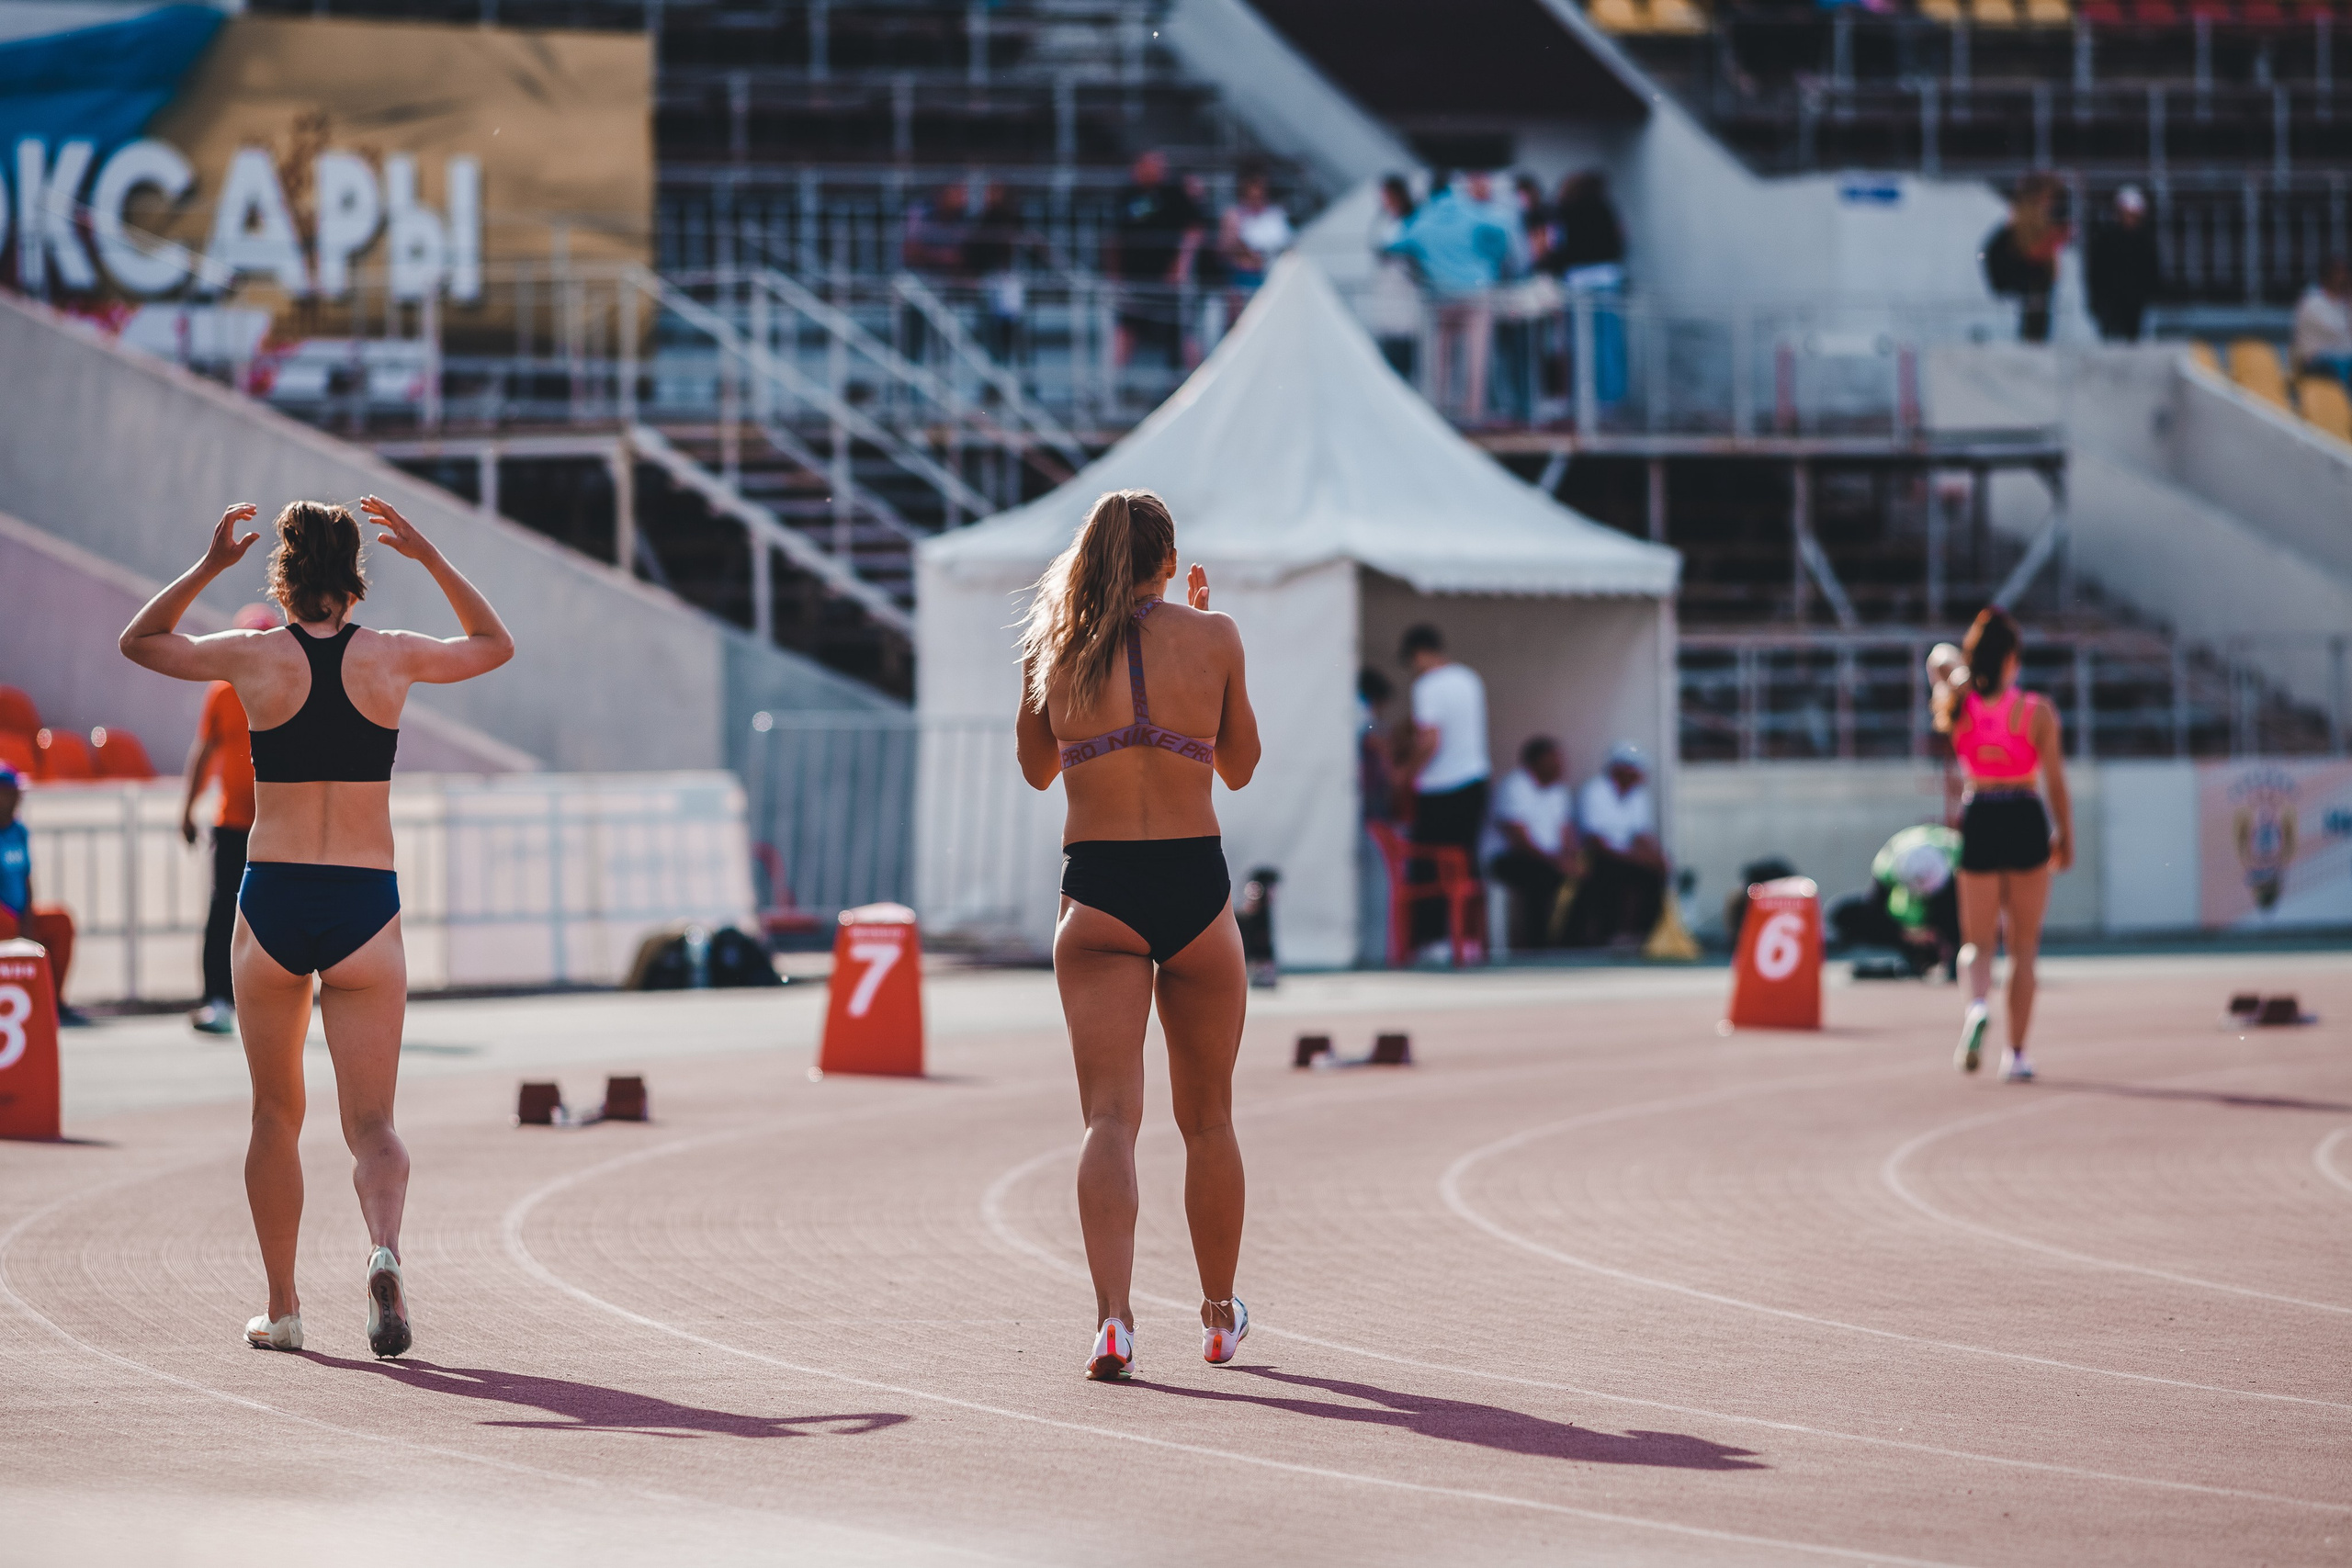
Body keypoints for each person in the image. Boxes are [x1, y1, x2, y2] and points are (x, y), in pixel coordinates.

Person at [119, 495, 514, 1356]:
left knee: (273, 1115)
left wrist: (210, 566)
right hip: (365, 903)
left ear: (286, 577)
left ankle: (285, 1307)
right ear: (356, 577)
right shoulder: (392, 657)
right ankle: (384, 1250)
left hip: (273, 902)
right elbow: (494, 644)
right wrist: (433, 556)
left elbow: (140, 642)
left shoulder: (256, 658)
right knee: (373, 1124)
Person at [1013, 490, 1261, 1382]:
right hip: (1194, 886)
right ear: (1168, 559)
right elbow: (1238, 765)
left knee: (1110, 1118)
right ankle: (1216, 1316)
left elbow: (1038, 769)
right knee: (1210, 1120)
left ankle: (1112, 1320)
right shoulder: (1217, 636)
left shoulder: (1056, 643)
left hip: (1100, 889)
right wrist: (1196, 630)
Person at [1934, 607, 2073, 1082]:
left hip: (1980, 814)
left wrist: (1963, 669)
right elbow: (2055, 782)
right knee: (2024, 947)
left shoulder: (1958, 701)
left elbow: (1937, 657)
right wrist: (2065, 837)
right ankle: (2016, 1054)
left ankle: (1976, 1007)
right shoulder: (2035, 711)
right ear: (2014, 658)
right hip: (2025, 814)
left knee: (1976, 942)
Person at [184, 602, 280, 1035]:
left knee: (278, 913)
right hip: (234, 820)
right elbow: (205, 750)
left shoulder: (287, 683)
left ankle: (271, 1003)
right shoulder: (222, 691)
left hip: (279, 822)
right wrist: (187, 808)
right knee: (224, 910)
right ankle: (217, 999)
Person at [1382, 174, 1510, 421]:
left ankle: (1438, 413)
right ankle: (1474, 414)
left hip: (1440, 296)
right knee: (1476, 357)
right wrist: (1490, 260)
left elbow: (1393, 245)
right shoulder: (1470, 211)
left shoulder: (1424, 221)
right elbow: (1501, 231)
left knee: (1439, 359)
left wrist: (1425, 261)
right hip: (1476, 291)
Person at [1397, 624, 1490, 953]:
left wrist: (1406, 773)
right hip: (1474, 780)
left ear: (1419, 654)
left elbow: (1430, 740)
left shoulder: (1428, 686)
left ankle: (1437, 939)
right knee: (1467, 862)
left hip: (1440, 788)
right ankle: (1470, 939)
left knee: (1431, 866)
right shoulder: (1469, 678)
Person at [0, 763, 85, 1025]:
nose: (16, 798)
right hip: (4, 918)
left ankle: (53, 1002)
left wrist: (27, 918)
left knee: (60, 921)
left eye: (17, 792)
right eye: (9, 792)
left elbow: (26, 879)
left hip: (19, 915)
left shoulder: (19, 832)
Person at [1564, 742, 1666, 949]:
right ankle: (1605, 934)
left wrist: (1656, 856)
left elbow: (1641, 834)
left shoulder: (1638, 796)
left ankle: (1642, 934)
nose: (1640, 775)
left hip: (1625, 857)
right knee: (1610, 872)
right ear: (1619, 769)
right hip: (1598, 855)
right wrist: (1638, 857)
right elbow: (1595, 841)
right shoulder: (1595, 791)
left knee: (1655, 874)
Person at [1110, 151, 1205, 369]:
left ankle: (1202, 379)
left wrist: (1181, 264)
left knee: (1181, 331)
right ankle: (1110, 389)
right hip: (1134, 278)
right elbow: (1115, 237)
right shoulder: (1127, 195)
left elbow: (1194, 230)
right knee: (1126, 329)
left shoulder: (1173, 193)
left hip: (1167, 278)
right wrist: (1114, 274)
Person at [1484, 737, 1581, 952]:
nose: (1560, 766)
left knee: (1585, 877)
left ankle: (1571, 944)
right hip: (1507, 859)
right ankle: (1537, 947)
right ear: (1536, 763)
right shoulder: (1514, 786)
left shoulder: (1559, 791)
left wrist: (1572, 859)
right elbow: (1519, 840)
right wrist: (1557, 862)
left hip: (1548, 859)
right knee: (1542, 876)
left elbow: (1566, 832)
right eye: (1553, 760)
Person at [1828, 823, 1962, 978]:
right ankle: (1912, 954)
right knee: (1842, 913)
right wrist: (1907, 932)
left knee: (1961, 913)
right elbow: (1876, 906)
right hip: (1908, 917)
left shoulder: (1958, 851)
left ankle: (1955, 953)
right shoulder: (1887, 865)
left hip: (1948, 899)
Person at [1983, 174, 2068, 344]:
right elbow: (2029, 252)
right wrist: (2053, 239)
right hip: (2025, 286)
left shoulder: (2037, 219)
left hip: (2033, 285)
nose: (2050, 203)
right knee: (2033, 332)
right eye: (2047, 198)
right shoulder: (2026, 219)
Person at [1365, 175, 1425, 380]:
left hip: (1404, 289)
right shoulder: (1385, 221)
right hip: (1388, 291)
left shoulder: (1411, 221)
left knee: (1404, 345)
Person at [2086, 186, 2160, 344]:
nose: (2129, 219)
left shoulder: (2145, 241)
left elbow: (2151, 272)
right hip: (2110, 301)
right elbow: (2096, 271)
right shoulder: (2105, 239)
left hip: (2135, 301)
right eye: (2125, 213)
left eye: (2133, 215)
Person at [1218, 160, 1294, 299]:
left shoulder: (1276, 215)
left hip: (1273, 274)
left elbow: (1288, 246)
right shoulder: (1234, 216)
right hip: (1245, 277)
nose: (1257, 200)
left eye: (1260, 195)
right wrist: (1247, 252)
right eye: (1252, 195)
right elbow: (1225, 249)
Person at [2291, 256, 2352, 386]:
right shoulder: (2312, 301)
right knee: (2341, 364)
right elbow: (2337, 330)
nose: (2344, 279)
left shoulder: (2342, 302)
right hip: (2314, 361)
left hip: (2342, 358)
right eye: (2339, 273)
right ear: (2327, 276)